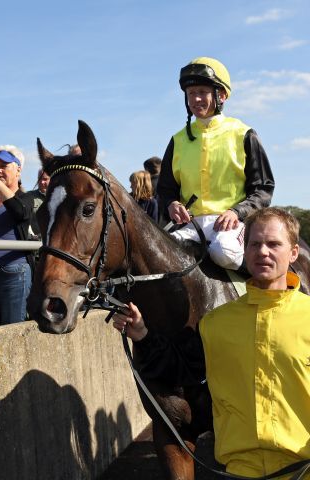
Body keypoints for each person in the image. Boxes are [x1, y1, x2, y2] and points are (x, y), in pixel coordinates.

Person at [112, 207, 310, 477]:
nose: (263, 252)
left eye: (274, 244)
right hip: (241, 471)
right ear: (244, 250)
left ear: (294, 253)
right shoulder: (215, 324)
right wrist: (143, 335)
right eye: (255, 244)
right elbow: (184, 373)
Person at [157, 56, 275, 271]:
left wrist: (236, 212)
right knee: (156, 256)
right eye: (191, 94)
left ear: (221, 95)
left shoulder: (244, 134)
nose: (196, 99)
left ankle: (266, 287)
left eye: (202, 92)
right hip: (190, 225)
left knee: (224, 252)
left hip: (233, 224)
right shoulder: (177, 140)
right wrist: (172, 204)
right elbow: (165, 189)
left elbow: (263, 188)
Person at [0, 147, 34, 326]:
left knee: (11, 330)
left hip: (14, 273)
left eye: (4, 166)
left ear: (18, 169)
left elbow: (19, 212)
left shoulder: (26, 198)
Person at [23, 168, 50, 239]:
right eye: (39, 179)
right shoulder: (28, 197)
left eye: (45, 179)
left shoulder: (61, 198)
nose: (41, 182)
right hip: (35, 243)